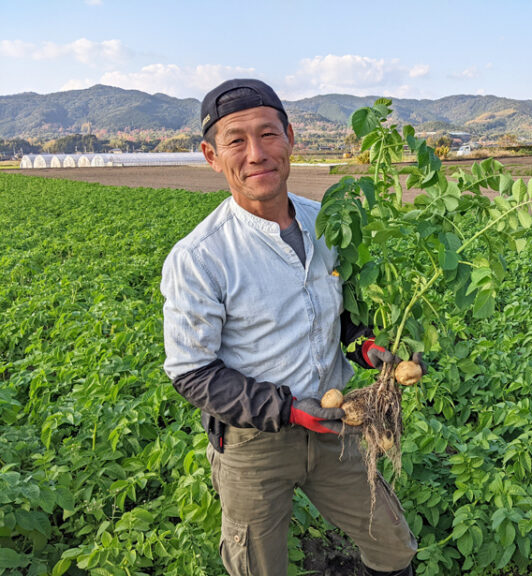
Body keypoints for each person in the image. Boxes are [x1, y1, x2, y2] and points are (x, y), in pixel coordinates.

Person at [160, 78, 418, 576]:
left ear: (291, 138)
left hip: (338, 425)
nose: (256, 153)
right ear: (212, 156)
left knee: (393, 548)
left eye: (268, 134)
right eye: (236, 140)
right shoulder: (200, 257)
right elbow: (192, 372)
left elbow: (343, 316)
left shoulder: (328, 224)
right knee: (257, 566)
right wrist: (288, 410)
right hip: (252, 444)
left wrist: (368, 349)